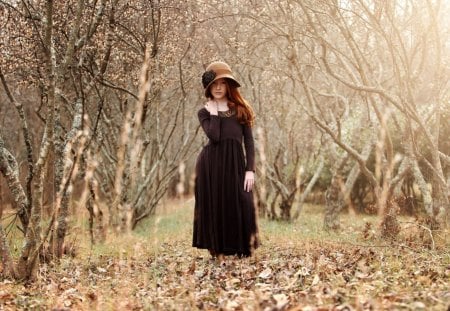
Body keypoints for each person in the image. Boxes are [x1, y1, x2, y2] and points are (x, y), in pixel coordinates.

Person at [192, 61, 259, 261]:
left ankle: (242, 247)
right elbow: (215, 137)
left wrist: (250, 170)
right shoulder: (204, 112)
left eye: (222, 83)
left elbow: (249, 142)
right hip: (211, 166)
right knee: (216, 205)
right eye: (214, 84)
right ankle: (218, 249)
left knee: (243, 201)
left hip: (236, 164)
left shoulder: (240, 109)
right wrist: (214, 113)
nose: (219, 87)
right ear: (209, 87)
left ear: (229, 85)